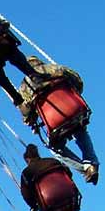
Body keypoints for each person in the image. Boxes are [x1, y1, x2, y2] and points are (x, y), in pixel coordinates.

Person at [19, 56, 99, 184]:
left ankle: (84, 168)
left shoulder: (26, 84)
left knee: (55, 147)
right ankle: (91, 162)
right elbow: (78, 80)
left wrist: (32, 121)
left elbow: (26, 113)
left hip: (54, 122)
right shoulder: (55, 68)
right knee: (81, 130)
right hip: (74, 110)